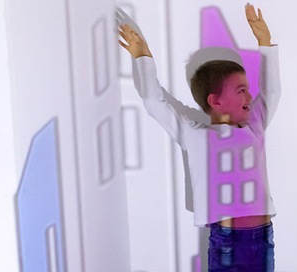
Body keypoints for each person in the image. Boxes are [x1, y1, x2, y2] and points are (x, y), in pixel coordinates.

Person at [116, 4, 281, 271]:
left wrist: (266, 44)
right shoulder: (194, 134)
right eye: (241, 90)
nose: (250, 97)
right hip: (225, 239)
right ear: (215, 101)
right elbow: (154, 101)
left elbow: (271, 92)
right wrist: (142, 57)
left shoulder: (255, 126)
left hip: (262, 237)